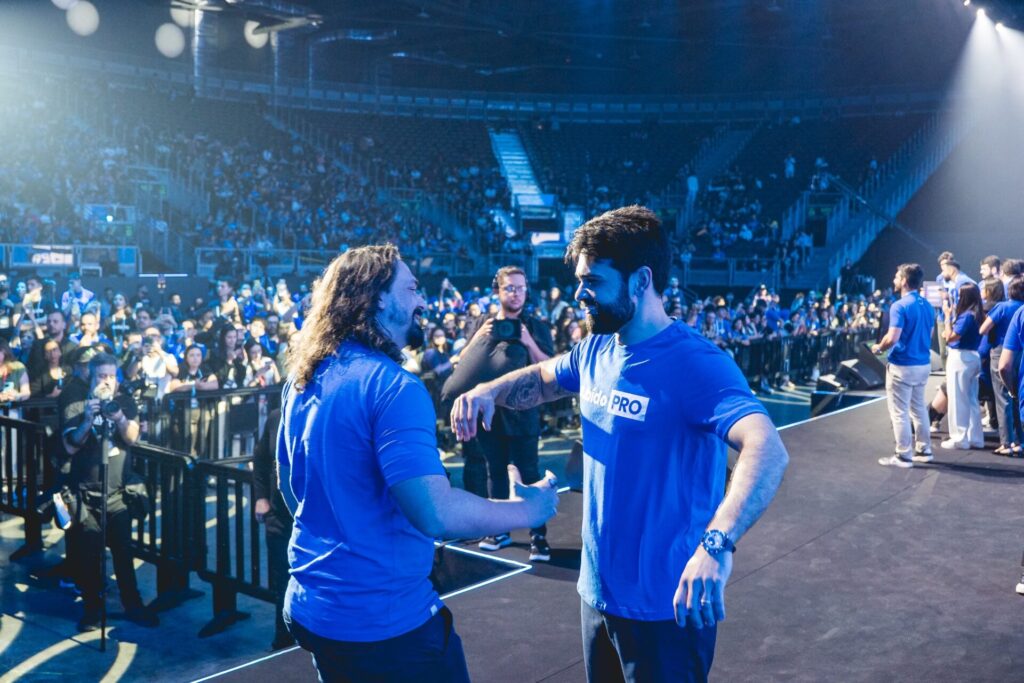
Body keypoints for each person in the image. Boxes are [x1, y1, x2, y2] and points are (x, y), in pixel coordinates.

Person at [451, 206, 789, 682]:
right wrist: (488, 390)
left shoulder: (697, 364)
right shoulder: (596, 350)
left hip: (666, 606)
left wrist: (717, 545)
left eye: (593, 280)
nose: (580, 294)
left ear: (640, 280)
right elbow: (545, 377)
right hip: (596, 594)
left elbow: (767, 448)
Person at [277, 244, 559, 682]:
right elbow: (434, 511)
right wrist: (529, 511)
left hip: (312, 607)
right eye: (411, 289)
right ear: (378, 298)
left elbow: (290, 486)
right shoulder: (393, 388)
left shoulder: (304, 377)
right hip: (381, 621)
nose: (423, 302)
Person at [444, 265, 555, 561]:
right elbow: (461, 364)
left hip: (524, 414)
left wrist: (528, 340)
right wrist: (480, 335)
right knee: (495, 472)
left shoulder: (536, 325)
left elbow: (550, 367)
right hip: (489, 416)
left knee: (529, 474)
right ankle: (499, 530)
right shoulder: (482, 322)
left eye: (520, 288)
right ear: (498, 291)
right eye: (510, 288)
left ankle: (538, 537)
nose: (516, 294)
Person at [61, 352, 158, 631]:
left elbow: (132, 437)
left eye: (111, 376)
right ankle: (92, 609)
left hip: (117, 492)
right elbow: (70, 445)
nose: (106, 381)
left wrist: (118, 417)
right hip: (84, 492)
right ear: (90, 377)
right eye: (101, 376)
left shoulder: (124, 402)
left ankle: (133, 605)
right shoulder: (77, 404)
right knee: (90, 556)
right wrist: (88, 420)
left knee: (124, 554)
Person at [871, 264, 937, 466]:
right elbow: (931, 335)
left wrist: (879, 348)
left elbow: (892, 338)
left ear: (905, 281)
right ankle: (924, 450)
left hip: (902, 365)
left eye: (896, 277)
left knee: (899, 411)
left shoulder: (899, 306)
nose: (893, 280)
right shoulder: (927, 305)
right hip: (923, 364)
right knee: (919, 409)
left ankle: (903, 455)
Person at [253, 408, 295, 651]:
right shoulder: (276, 417)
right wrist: (260, 497)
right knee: (283, 583)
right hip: (279, 519)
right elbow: (259, 460)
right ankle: (283, 641)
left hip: (310, 520)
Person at [982, 276, 1024, 455]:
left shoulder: (1006, 308)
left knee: (1003, 399)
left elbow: (983, 329)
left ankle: (1006, 442)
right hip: (1019, 355)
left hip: (1002, 351)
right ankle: (1019, 441)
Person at [942, 282, 984, 450]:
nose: (957, 298)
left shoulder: (966, 316)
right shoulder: (978, 314)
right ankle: (975, 438)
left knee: (958, 399)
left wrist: (947, 317)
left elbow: (950, 337)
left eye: (959, 295)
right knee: (972, 399)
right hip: (973, 357)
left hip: (961, 357)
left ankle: (959, 438)